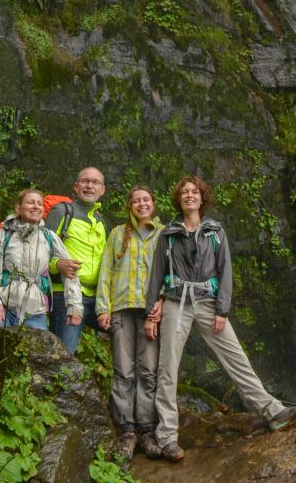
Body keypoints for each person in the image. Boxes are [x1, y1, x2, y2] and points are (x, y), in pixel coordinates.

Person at [144, 176, 296, 462]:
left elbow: (225, 272)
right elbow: (156, 275)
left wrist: (222, 310)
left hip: (209, 303)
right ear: (179, 199)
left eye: (193, 191)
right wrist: (151, 311)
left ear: (202, 197)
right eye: (184, 192)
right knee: (167, 370)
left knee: (237, 359)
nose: (189, 195)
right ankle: (168, 437)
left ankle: (273, 413)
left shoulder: (215, 231)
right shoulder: (168, 234)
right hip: (176, 304)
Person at [97, 186, 165, 461]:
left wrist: (160, 303)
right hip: (122, 309)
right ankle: (127, 431)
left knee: (148, 371)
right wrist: (104, 308)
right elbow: (106, 272)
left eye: (146, 199)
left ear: (153, 203)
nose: (141, 204)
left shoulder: (164, 235)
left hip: (151, 312)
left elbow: (170, 273)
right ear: (129, 206)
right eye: (136, 200)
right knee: (123, 371)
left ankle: (147, 431)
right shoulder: (116, 234)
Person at [0, 189, 84, 332]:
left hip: (35, 311)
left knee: (38, 354)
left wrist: (74, 307)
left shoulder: (49, 237)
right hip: (2, 305)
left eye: (40, 204)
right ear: (18, 208)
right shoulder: (3, 235)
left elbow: (70, 272)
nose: (36, 207)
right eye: (31, 203)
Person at [46, 166, 108, 354]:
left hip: (97, 299)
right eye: (85, 181)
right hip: (67, 295)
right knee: (64, 354)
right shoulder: (62, 212)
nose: (90, 186)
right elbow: (40, 250)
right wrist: (57, 264)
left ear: (102, 190)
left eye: (95, 182)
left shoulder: (101, 221)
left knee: (128, 333)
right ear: (76, 186)